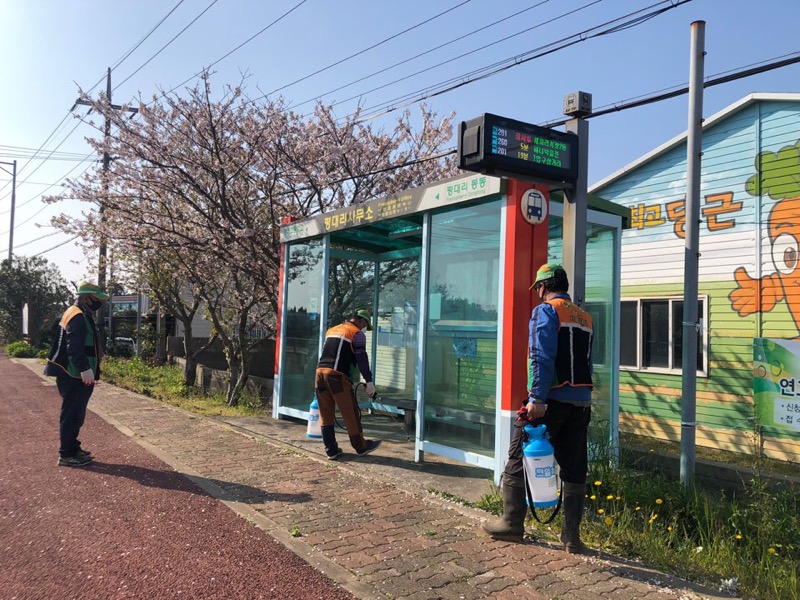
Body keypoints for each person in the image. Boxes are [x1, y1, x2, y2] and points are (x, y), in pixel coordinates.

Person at [483, 263, 593, 553]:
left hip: (551, 401)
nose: (538, 295)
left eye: (538, 289)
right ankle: (572, 538)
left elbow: (541, 356)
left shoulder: (546, 311)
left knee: (517, 456)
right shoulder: (584, 316)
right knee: (574, 466)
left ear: (544, 287)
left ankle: (511, 524)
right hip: (581, 402)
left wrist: (537, 398)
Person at [44, 281, 109, 467]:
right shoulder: (78, 316)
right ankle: (66, 454)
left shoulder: (79, 313)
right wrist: (84, 368)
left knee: (76, 413)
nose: (98, 303)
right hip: (73, 374)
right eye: (96, 299)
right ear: (86, 297)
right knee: (72, 414)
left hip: (76, 373)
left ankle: (73, 447)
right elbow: (74, 346)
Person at [314, 308, 382, 460]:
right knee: (350, 412)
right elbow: (362, 359)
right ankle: (361, 446)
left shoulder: (332, 330)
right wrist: (369, 381)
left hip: (320, 373)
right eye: (365, 325)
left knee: (326, 414)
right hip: (337, 376)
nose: (364, 328)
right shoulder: (357, 334)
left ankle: (331, 450)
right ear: (362, 320)